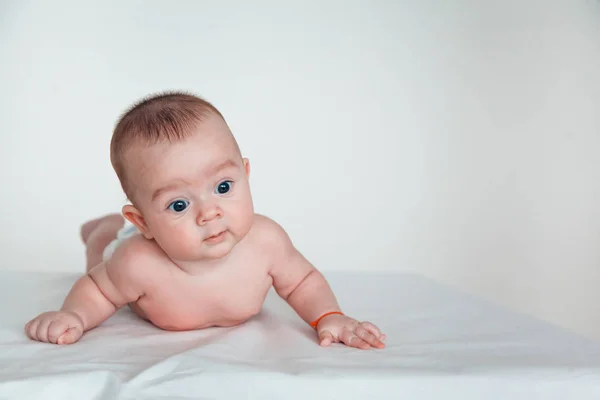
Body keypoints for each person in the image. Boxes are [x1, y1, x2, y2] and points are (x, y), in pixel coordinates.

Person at [24, 91, 386, 350]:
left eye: (223, 186)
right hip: (132, 245)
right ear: (144, 221)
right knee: (104, 251)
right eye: (179, 204)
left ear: (246, 175)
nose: (209, 212)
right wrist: (74, 315)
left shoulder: (266, 241)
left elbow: (302, 281)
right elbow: (98, 290)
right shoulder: (137, 261)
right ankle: (101, 229)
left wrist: (328, 316)